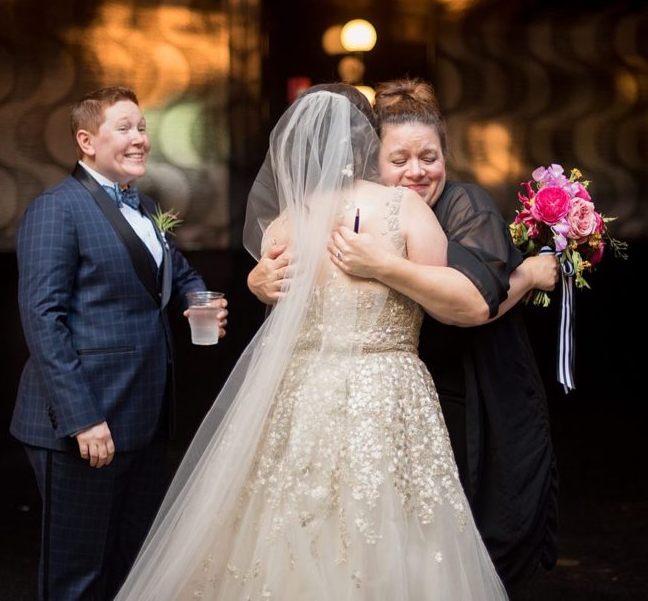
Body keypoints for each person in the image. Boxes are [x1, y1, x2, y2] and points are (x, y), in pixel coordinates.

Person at [115, 86, 508, 599]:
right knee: (392, 522)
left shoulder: (284, 224)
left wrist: (260, 282)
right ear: (369, 140)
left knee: (294, 521)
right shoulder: (403, 208)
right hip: (385, 390)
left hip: (300, 393)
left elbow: (280, 302)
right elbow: (450, 302)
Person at [249, 78, 560, 598]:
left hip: (435, 388)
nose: (416, 171)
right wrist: (257, 281)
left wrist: (386, 265)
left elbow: (470, 302)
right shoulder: (392, 209)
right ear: (371, 157)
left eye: (429, 157)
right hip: (369, 393)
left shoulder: (460, 205)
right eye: (400, 159)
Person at [11, 86, 228, 600]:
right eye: (125, 128)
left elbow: (180, 270)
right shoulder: (56, 209)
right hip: (83, 420)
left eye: (143, 128)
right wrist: (82, 417)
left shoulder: (148, 205)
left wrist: (198, 300)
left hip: (144, 415)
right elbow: (42, 318)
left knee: (133, 563)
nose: (140, 140)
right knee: (77, 573)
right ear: (86, 140)